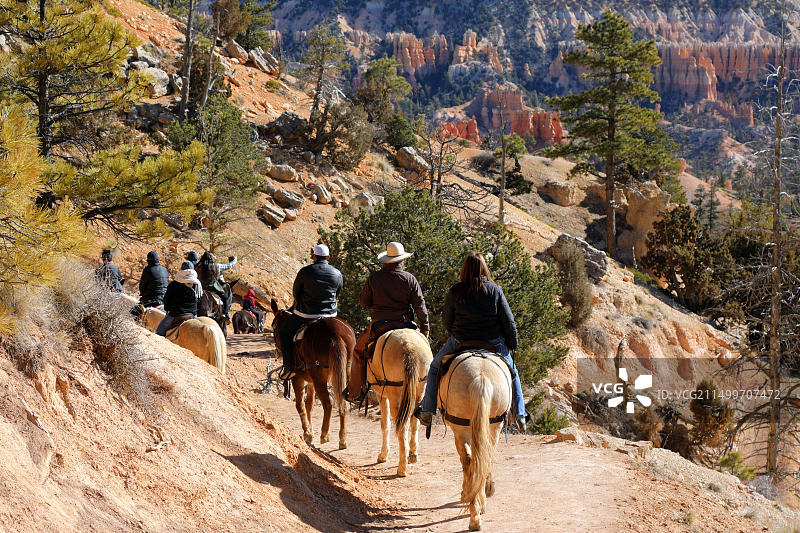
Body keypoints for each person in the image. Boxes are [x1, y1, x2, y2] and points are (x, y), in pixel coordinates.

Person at [416, 252, 528, 429]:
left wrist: (458, 332)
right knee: (513, 371)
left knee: (435, 368)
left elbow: (446, 320)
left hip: (461, 340)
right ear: (484, 269)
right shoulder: (495, 290)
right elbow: (508, 321)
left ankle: (428, 411)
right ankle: (520, 414)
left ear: (465, 269)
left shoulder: (456, 291)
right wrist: (512, 344)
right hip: (493, 342)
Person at [347, 242, 429, 403]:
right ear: (402, 260)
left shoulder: (374, 278)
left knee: (358, 352)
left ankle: (357, 391)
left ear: (386, 260)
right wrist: (425, 328)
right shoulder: (410, 279)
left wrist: (377, 304)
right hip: (406, 323)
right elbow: (420, 305)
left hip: (380, 324)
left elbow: (363, 302)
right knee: (425, 351)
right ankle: (428, 396)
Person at [278, 244, 343, 380]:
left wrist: (302, 303)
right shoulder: (337, 273)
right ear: (328, 257)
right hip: (330, 315)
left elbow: (296, 293)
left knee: (284, 332)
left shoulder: (305, 271)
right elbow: (337, 293)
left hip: (306, 314)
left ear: (314, 257)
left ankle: (288, 366)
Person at [156, 261, 203, 336]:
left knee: (158, 333)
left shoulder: (174, 284)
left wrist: (167, 309)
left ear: (181, 270)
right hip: (192, 315)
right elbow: (199, 300)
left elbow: (166, 300)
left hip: (175, 315)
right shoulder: (197, 284)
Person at [195, 251, 237, 318]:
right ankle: (225, 313)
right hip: (213, 287)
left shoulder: (198, 266)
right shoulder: (217, 266)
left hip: (200, 287)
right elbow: (229, 266)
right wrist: (235, 260)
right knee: (225, 297)